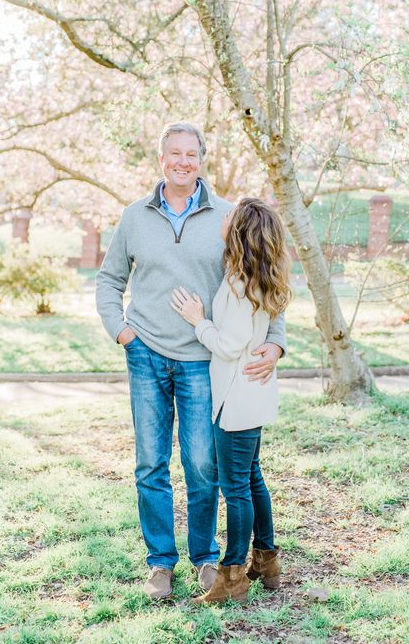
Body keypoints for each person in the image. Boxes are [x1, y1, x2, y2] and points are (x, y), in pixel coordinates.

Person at [96, 122, 286, 600]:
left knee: (203, 465)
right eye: (174, 153)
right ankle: (160, 563)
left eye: (191, 154)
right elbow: (108, 280)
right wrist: (122, 332)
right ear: (161, 159)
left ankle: (205, 557)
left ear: (202, 160)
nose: (183, 162)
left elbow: (268, 282)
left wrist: (276, 343)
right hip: (146, 355)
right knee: (150, 465)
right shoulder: (134, 217)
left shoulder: (228, 217)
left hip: (206, 362)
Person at [171, 197, 292, 604]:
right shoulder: (254, 276)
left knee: (236, 487)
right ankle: (267, 560)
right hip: (250, 396)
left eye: (230, 215)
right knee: (252, 477)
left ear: (238, 230)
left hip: (236, 399)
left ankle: (233, 575)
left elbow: (227, 345)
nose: (223, 217)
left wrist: (197, 320)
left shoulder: (241, 286)